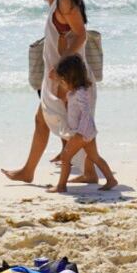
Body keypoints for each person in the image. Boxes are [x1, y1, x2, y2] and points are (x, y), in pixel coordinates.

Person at [3, 0, 107, 186]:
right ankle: (31, 170)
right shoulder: (59, 0)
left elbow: (81, 34)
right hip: (60, 72)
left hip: (67, 75)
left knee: (74, 123)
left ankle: (33, 170)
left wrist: (61, 68)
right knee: (50, 120)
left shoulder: (66, 2)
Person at [49, 54, 117, 193]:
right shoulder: (74, 91)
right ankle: (111, 180)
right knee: (94, 157)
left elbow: (86, 112)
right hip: (87, 131)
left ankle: (61, 186)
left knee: (65, 156)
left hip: (82, 132)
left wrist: (81, 133)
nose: (62, 83)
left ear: (71, 78)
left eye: (63, 81)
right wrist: (54, 77)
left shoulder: (80, 93)